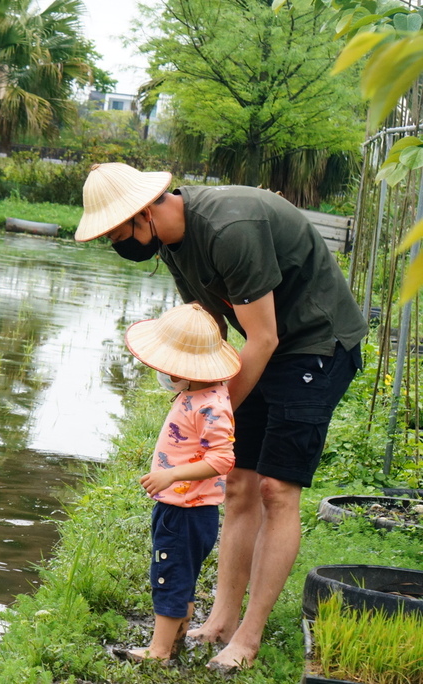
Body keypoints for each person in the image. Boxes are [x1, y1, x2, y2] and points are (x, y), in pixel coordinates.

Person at [75, 163, 367, 671]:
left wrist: (216, 412)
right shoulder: (171, 243)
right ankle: (221, 621)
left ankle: (248, 638)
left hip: (316, 342)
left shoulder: (230, 230)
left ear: (143, 212)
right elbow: (212, 329)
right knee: (237, 482)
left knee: (276, 488)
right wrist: (191, 391)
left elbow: (265, 337)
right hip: (266, 344)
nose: (116, 244)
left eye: (117, 233)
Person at [115, 302, 239, 663]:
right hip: (184, 508)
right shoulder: (197, 393)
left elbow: (223, 459)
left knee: (168, 573)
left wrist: (171, 474)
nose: (164, 373)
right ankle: (177, 636)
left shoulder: (210, 406)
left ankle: (159, 650)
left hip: (185, 509)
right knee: (180, 573)